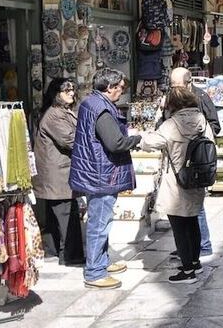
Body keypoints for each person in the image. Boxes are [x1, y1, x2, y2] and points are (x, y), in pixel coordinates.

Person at [69, 68, 140, 290]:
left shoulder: (91, 103)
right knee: (100, 223)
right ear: (109, 88)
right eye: (120, 87)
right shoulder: (101, 108)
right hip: (102, 174)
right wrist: (138, 138)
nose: (121, 91)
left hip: (97, 171)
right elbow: (115, 143)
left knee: (100, 221)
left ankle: (101, 262)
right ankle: (95, 272)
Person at [140, 87, 212, 284]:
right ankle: (195, 262)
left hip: (177, 179)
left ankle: (187, 270)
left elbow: (149, 143)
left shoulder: (171, 124)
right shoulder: (202, 121)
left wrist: (146, 132)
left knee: (179, 224)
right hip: (197, 177)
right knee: (192, 221)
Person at [165, 67, 218, 259]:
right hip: (175, 161)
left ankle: (202, 245)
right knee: (182, 207)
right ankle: (187, 248)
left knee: (196, 206)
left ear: (188, 83)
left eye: (177, 85)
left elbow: (214, 125)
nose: (174, 89)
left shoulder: (201, 97)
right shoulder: (170, 100)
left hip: (195, 162)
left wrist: (197, 140)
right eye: (172, 86)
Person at [32, 78, 84, 266]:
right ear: (56, 93)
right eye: (66, 90)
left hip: (56, 172)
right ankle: (72, 255)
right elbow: (70, 140)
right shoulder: (54, 115)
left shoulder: (62, 112)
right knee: (66, 213)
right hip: (57, 174)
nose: (71, 93)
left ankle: (53, 250)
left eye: (72, 89)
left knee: (56, 214)